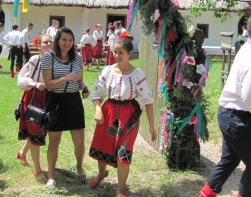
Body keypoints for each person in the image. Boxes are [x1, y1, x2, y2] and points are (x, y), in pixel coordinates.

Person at [199, 11, 251, 197]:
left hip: (228, 115)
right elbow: (248, 94)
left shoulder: (248, 50)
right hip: (240, 118)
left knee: (230, 159)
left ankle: (205, 195)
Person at [88, 35, 157, 197]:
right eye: (115, 52)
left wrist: (152, 127)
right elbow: (97, 93)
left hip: (129, 116)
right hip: (109, 112)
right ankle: (101, 174)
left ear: (130, 54)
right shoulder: (107, 71)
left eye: (121, 52)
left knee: (124, 152)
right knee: (103, 145)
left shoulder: (137, 74)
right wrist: (98, 109)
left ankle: (120, 190)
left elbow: (148, 101)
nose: (117, 56)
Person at [41, 27, 90, 190]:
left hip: (73, 101)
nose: (67, 43)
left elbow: (80, 80)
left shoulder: (78, 58)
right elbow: (48, 84)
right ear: (57, 40)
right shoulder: (49, 57)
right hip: (55, 101)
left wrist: (84, 87)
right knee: (54, 141)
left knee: (80, 142)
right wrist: (65, 78)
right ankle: (51, 176)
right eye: (64, 39)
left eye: (70, 40)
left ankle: (79, 166)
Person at [16, 34, 53, 184]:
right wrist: (34, 84)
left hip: (47, 98)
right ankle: (37, 171)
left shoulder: (55, 61)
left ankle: (22, 153)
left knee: (40, 130)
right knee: (36, 131)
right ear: (38, 46)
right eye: (45, 42)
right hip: (33, 98)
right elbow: (21, 79)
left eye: (50, 42)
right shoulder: (34, 60)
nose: (48, 44)